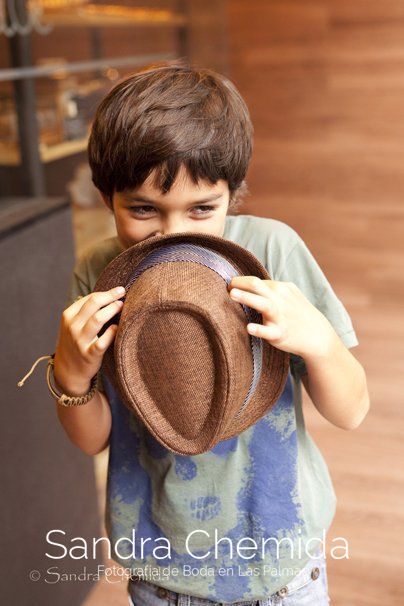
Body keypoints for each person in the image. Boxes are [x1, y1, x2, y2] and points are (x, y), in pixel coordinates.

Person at [54, 63, 370, 605]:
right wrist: (72, 372)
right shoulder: (100, 272)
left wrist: (317, 340)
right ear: (107, 198)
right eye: (144, 210)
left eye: (202, 209)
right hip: (162, 567)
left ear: (233, 193)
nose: (174, 234)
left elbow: (350, 411)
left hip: (282, 561)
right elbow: (92, 439)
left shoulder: (271, 252)